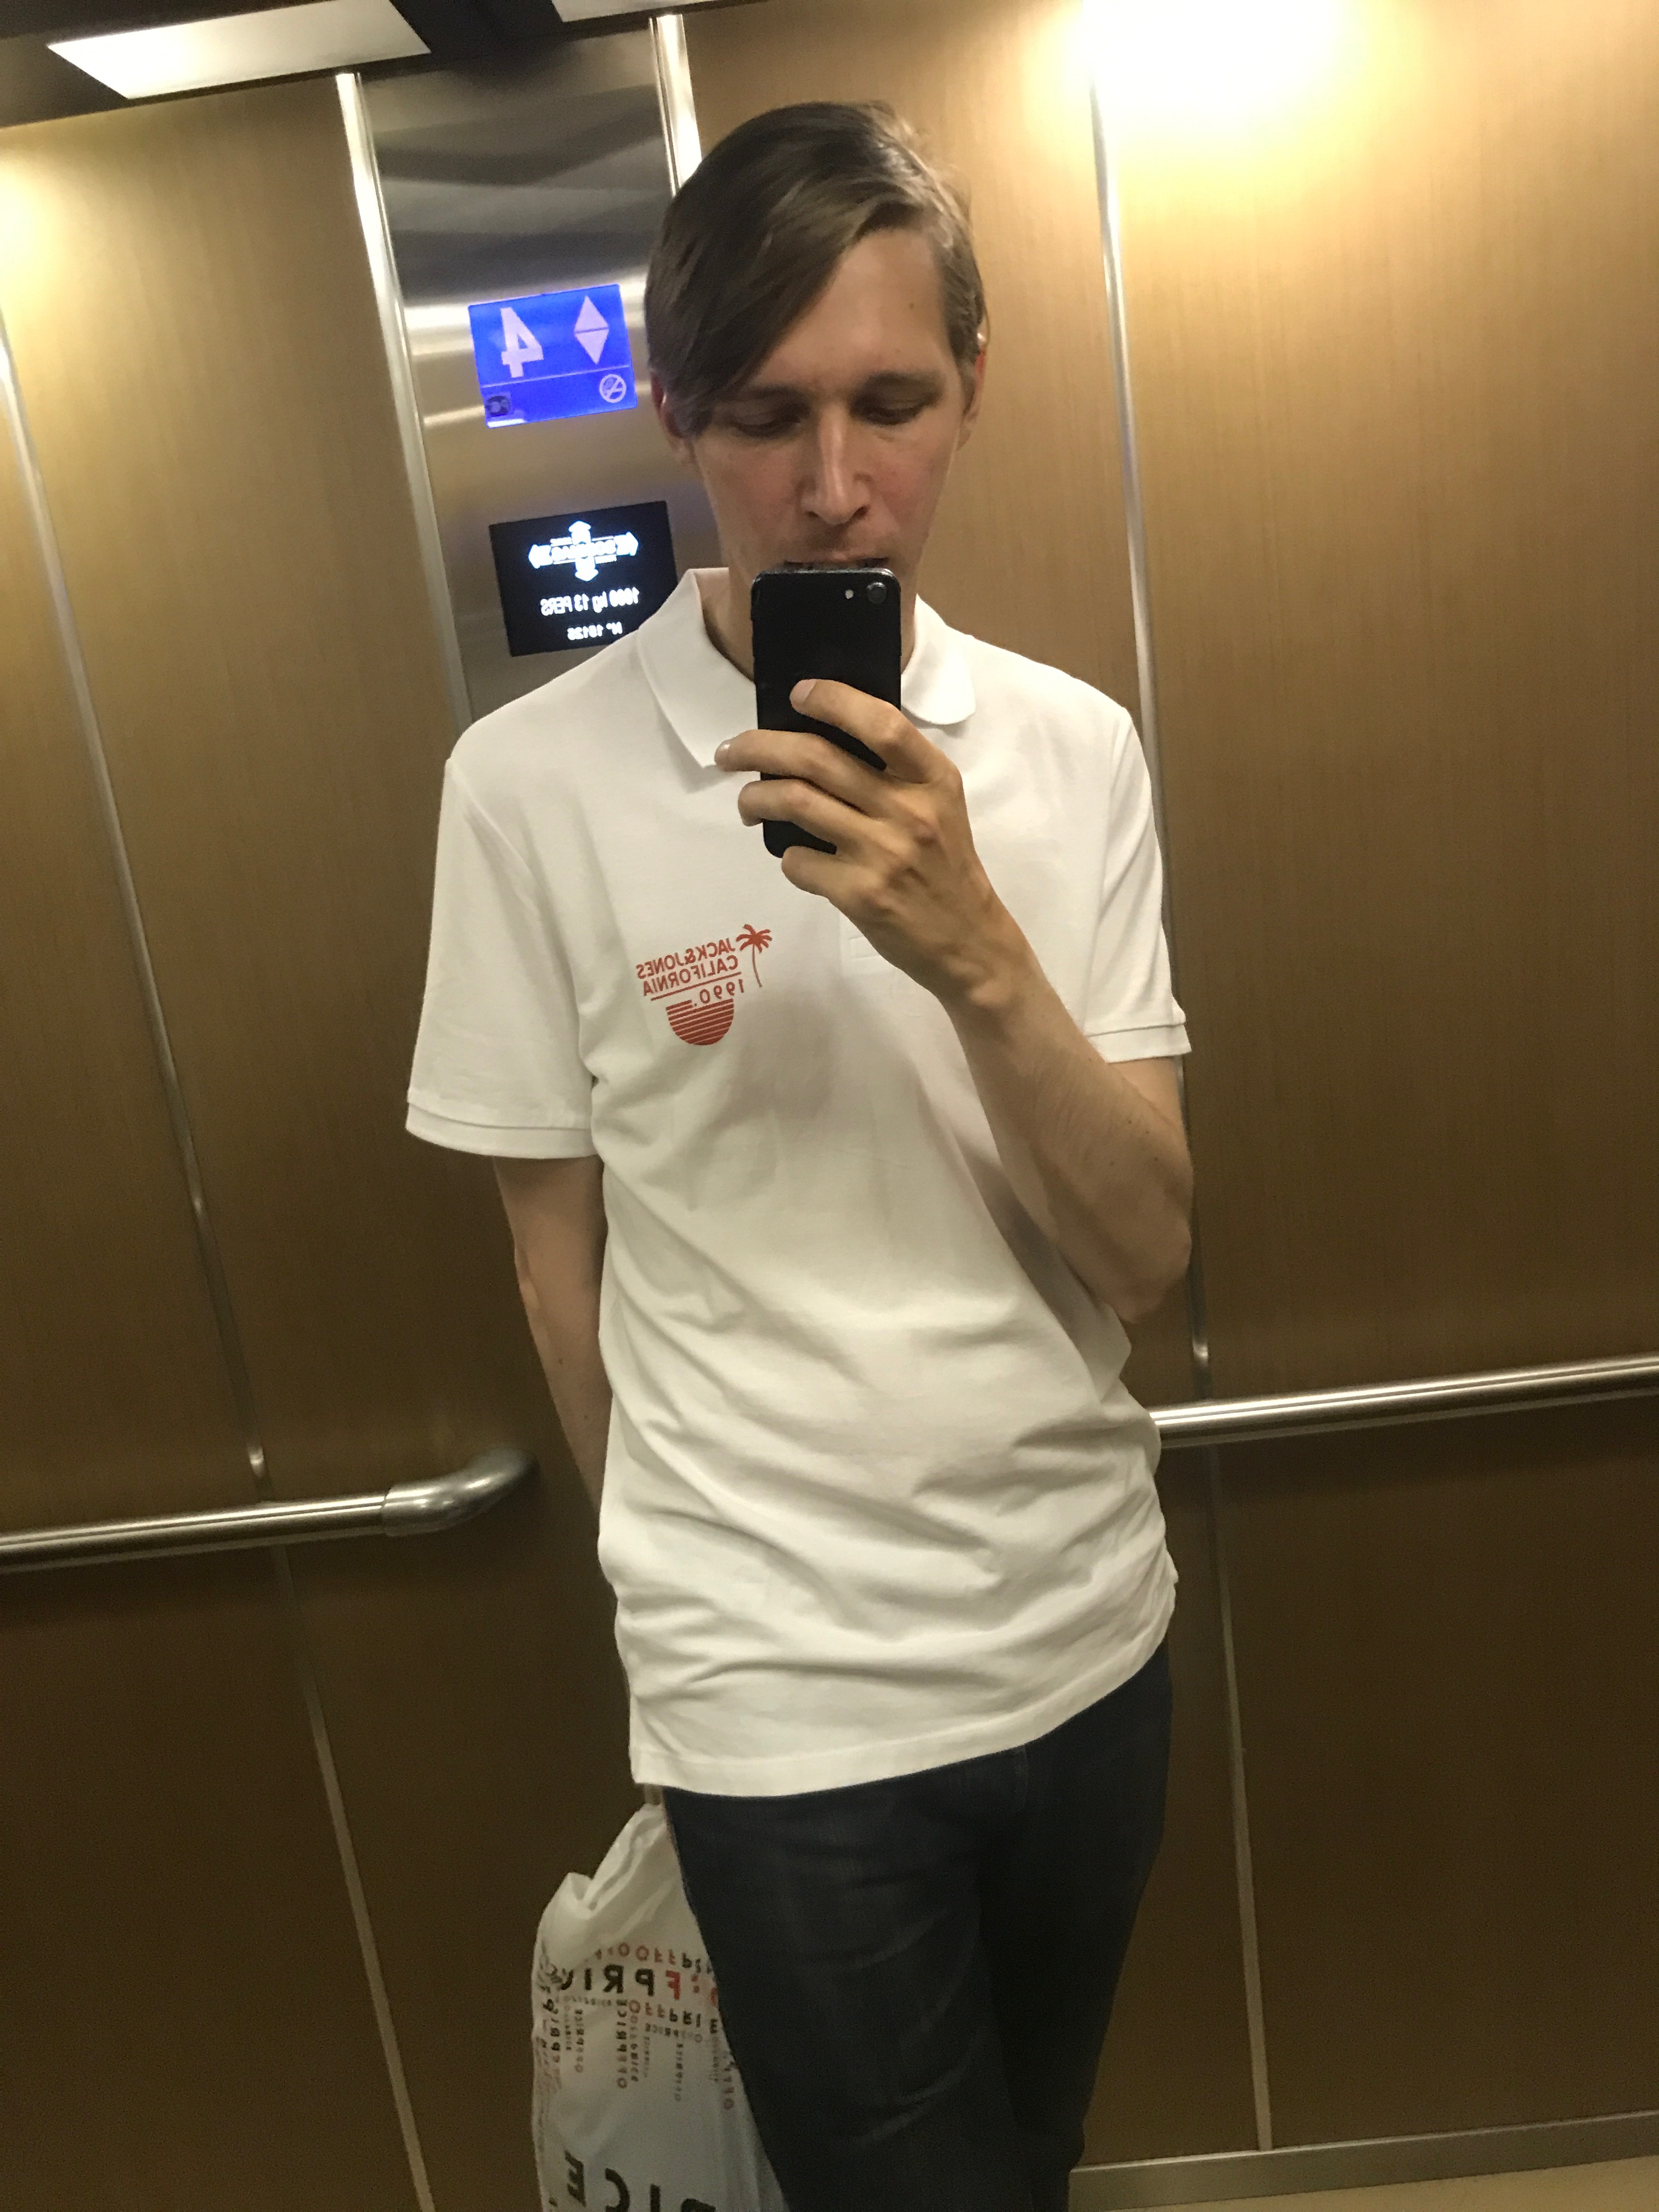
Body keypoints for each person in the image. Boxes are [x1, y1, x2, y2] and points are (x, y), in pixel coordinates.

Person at [407, 101, 1193, 2212]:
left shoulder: (1073, 752)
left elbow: (1145, 1256)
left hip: (1086, 1635)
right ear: (677, 412)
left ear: (972, 387)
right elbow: (554, 1275)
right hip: (778, 1703)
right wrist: (685, 1605)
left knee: (1033, 2158)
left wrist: (977, 951)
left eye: (889, 403)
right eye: (764, 415)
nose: (833, 484)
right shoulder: (528, 787)